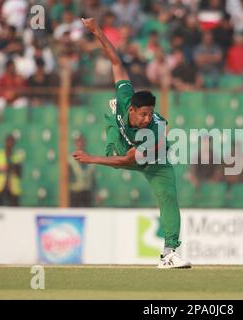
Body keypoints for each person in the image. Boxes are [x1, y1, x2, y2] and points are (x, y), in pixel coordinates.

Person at [73, 18, 191, 269]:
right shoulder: (126, 97)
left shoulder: (155, 129)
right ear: (133, 109)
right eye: (144, 114)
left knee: (168, 197)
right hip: (121, 142)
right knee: (115, 140)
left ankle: (169, 253)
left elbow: (127, 161)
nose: (148, 118)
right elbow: (116, 60)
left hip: (151, 158)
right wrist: (97, 31)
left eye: (151, 114)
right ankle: (115, 125)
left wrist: (91, 158)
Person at [0, 134, 24, 206]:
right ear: (5, 142)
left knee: (14, 211)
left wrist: (12, 167)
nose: (10, 144)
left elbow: (19, 172)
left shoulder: (17, 156)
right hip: (0, 188)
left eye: (12, 142)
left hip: (13, 189)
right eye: (8, 142)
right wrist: (2, 168)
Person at [68, 135, 96, 207]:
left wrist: (95, 192)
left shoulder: (90, 158)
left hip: (87, 193)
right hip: (74, 192)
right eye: (78, 142)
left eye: (81, 142)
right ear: (75, 144)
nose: (80, 145)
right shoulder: (69, 159)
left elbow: (93, 179)